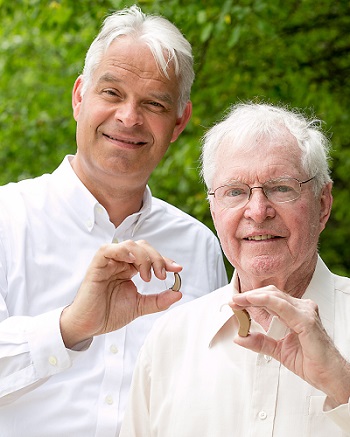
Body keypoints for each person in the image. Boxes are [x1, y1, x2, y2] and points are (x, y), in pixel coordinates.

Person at [0, 5, 228, 437]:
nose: (128, 117)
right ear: (78, 97)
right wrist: (69, 327)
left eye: (154, 103)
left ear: (179, 123)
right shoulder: (7, 219)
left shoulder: (200, 245)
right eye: (112, 93)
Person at [120, 102, 350, 436]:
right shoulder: (170, 341)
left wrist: (343, 385)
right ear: (214, 210)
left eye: (281, 187)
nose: (257, 211)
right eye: (235, 192)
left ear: (323, 204)